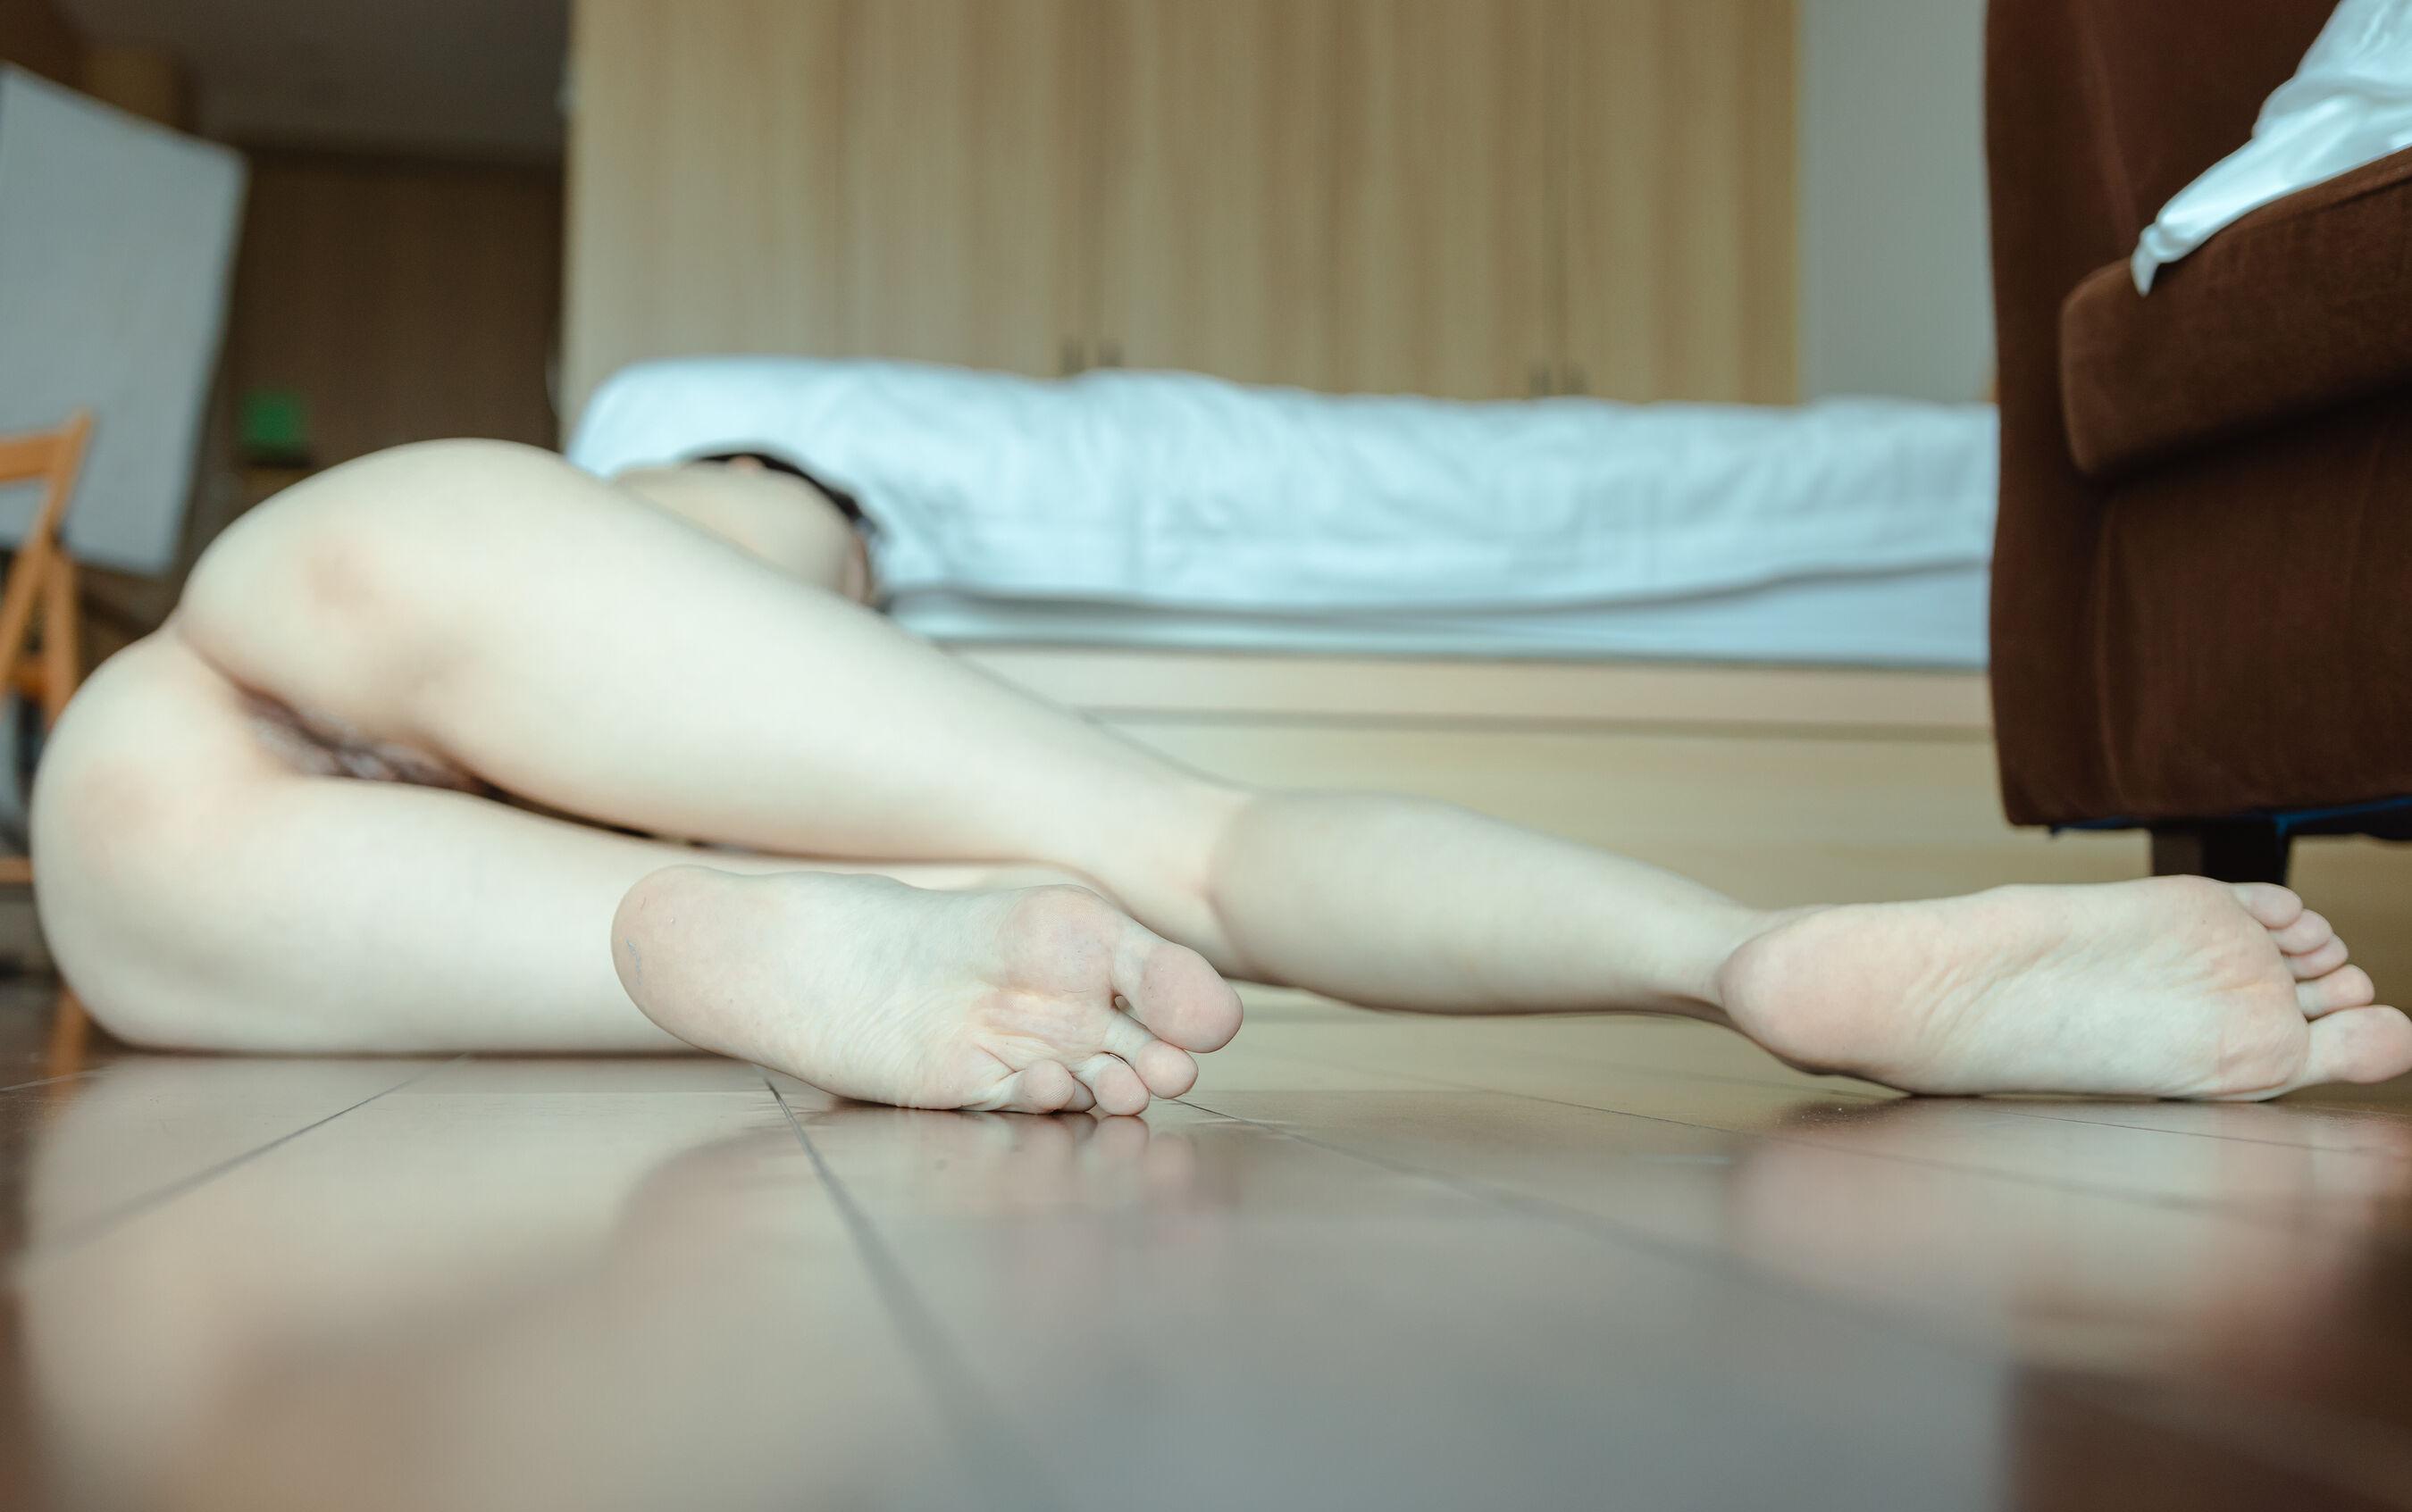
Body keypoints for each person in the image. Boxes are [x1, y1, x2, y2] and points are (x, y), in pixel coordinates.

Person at [29, 440, 2411, 1114]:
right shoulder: (755, 511)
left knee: (137, 866)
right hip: (432, 626)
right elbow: (765, 573)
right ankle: (1738, 956)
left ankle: (769, 947)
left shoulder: (669, 494)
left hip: (196, 789)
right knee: (1194, 847)